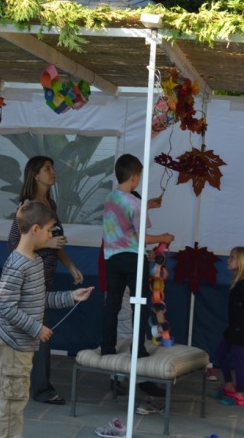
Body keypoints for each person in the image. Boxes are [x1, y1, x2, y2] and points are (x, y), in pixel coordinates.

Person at [0, 200, 93, 438]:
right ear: (35, 229)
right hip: (14, 344)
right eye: (48, 230)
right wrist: (37, 328)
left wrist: (71, 297)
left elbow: (41, 298)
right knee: (10, 403)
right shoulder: (17, 264)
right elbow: (5, 307)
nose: (51, 235)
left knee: (16, 402)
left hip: (23, 345)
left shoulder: (35, 261)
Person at [10, 156, 83, 405]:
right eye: (47, 169)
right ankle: (42, 390)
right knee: (41, 334)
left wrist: (70, 265)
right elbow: (14, 242)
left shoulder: (50, 204)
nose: (53, 172)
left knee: (23, 332)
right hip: (30, 279)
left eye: (52, 167)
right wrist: (47, 243)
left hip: (46, 277)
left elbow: (56, 241)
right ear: (35, 175)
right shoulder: (27, 206)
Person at [100, 154, 174, 396]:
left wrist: (147, 205)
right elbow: (142, 236)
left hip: (112, 258)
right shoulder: (134, 204)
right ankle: (138, 349)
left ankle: (107, 347)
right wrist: (164, 237)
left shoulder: (111, 198)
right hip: (133, 257)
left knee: (112, 303)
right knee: (140, 302)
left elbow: (122, 220)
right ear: (135, 178)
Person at [212, 246, 244, 406]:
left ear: (242, 263)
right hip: (234, 328)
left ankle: (239, 395)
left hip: (241, 330)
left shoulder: (243, 286)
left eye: (232, 258)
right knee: (219, 354)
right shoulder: (239, 284)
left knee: (237, 360)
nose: (228, 260)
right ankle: (229, 386)